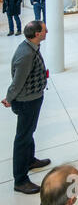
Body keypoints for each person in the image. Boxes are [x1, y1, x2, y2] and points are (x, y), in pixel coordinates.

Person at [1, 21, 51, 194]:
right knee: (23, 138)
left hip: (34, 98)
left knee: (29, 131)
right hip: (26, 102)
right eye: (44, 30)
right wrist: (9, 98)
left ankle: (30, 160)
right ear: (37, 34)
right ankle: (20, 180)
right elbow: (17, 82)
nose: (47, 32)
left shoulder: (31, 47)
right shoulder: (26, 54)